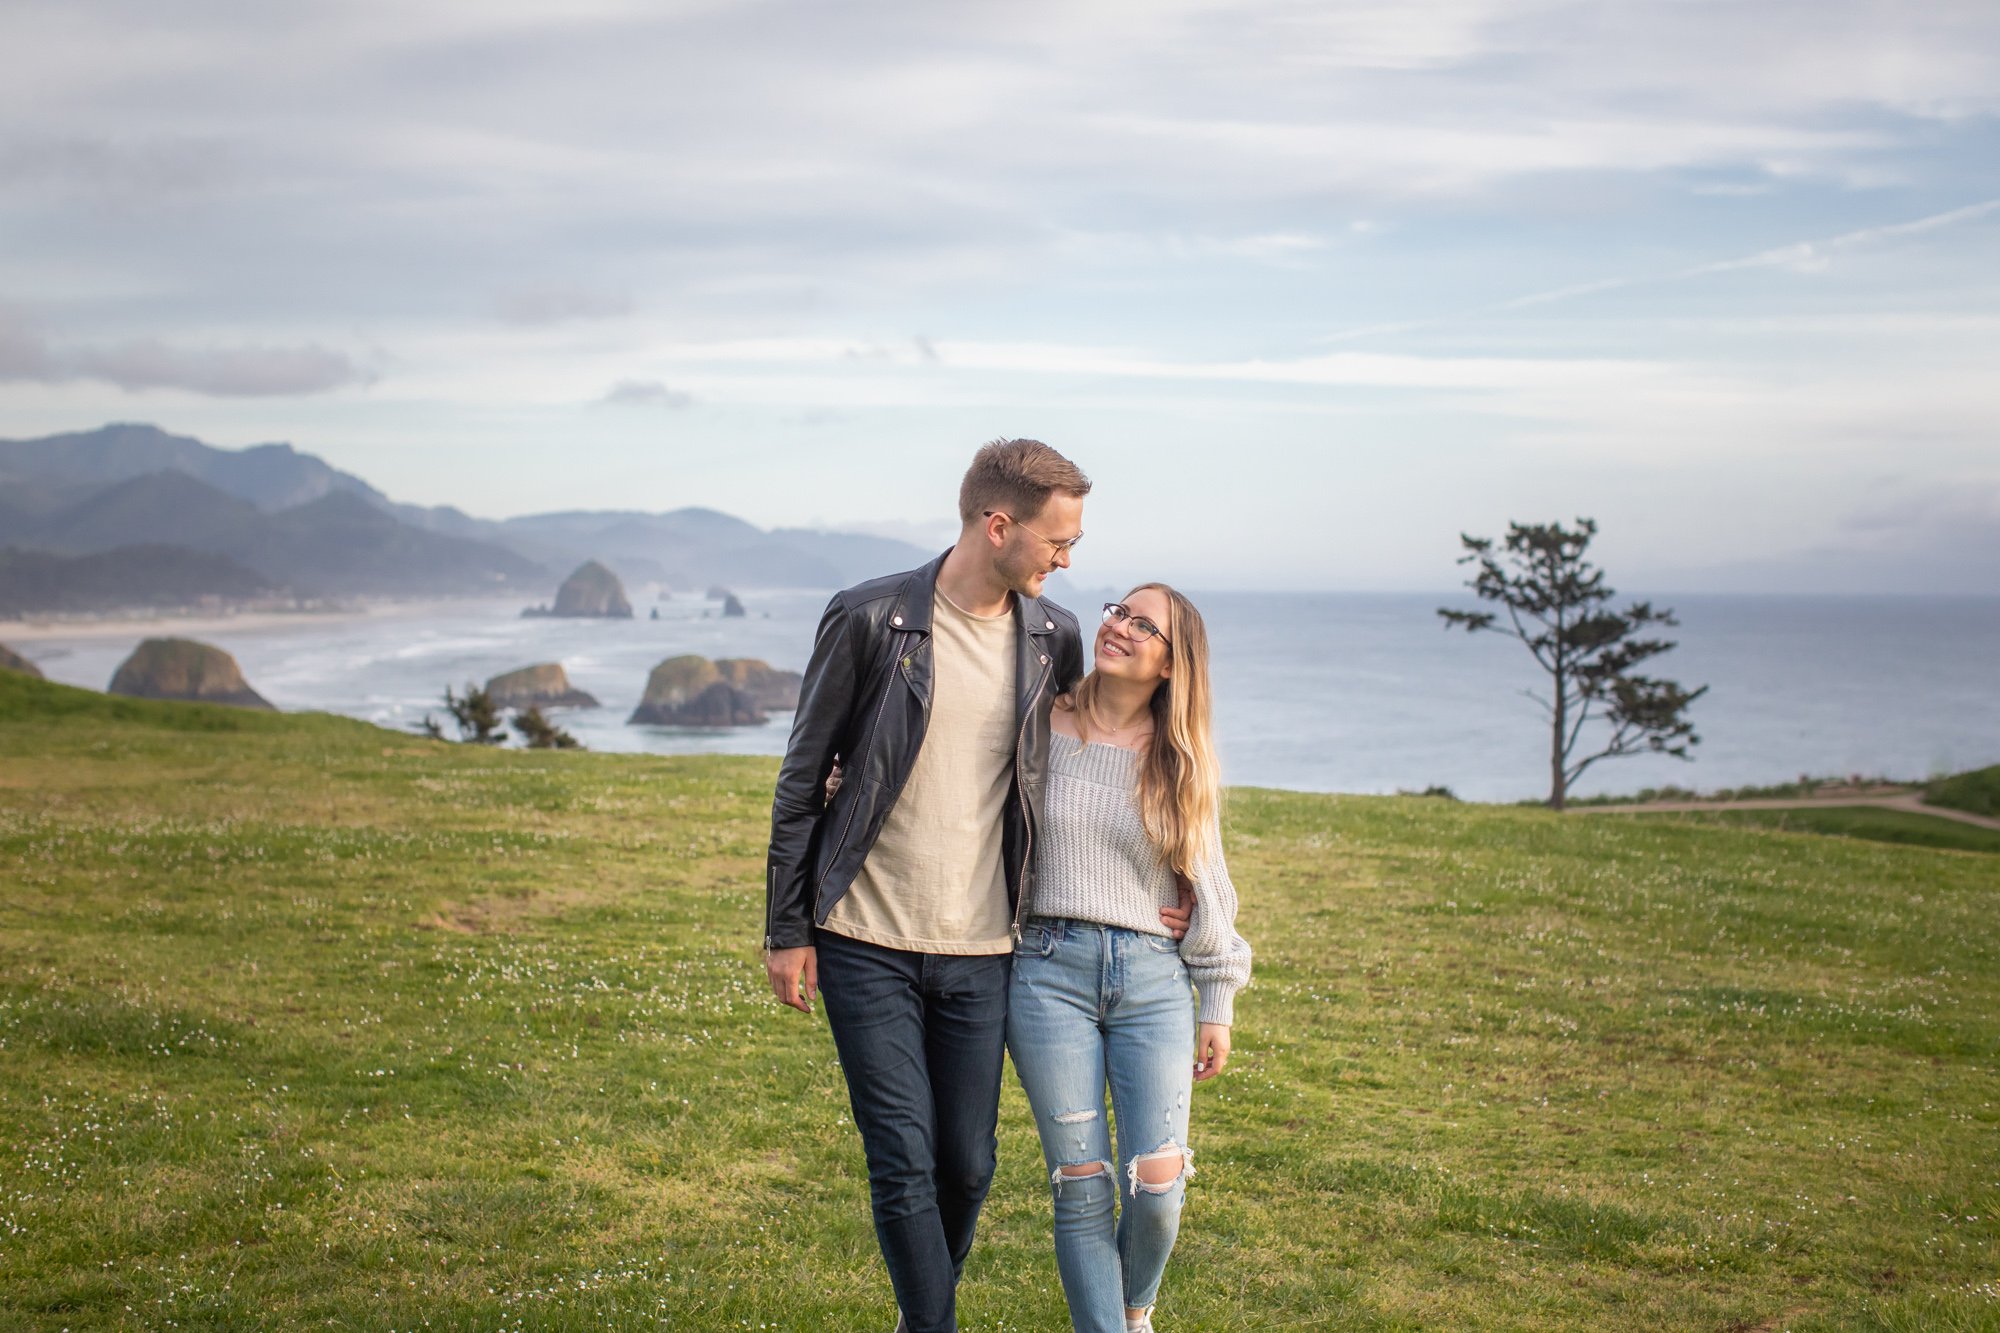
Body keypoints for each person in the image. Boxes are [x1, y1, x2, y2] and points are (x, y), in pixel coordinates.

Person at [767, 438, 1149, 1333]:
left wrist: (1168, 884)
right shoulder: (869, 619)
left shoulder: (1052, 635)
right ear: (998, 523)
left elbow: (1099, 759)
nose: (1068, 560)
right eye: (1060, 542)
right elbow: (802, 775)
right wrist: (788, 928)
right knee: (901, 1157)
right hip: (865, 934)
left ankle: (915, 1318)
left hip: (985, 946)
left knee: (968, 1165)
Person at [1006, 584, 1252, 1333]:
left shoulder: (1179, 758)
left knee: (1159, 1180)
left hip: (1152, 977)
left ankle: (1134, 1309)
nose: (1120, 627)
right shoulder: (1036, 726)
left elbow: (1209, 883)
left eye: (1147, 626)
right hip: (1047, 972)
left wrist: (1218, 998)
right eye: (1120, 610)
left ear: (1173, 665)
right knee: (1081, 1185)